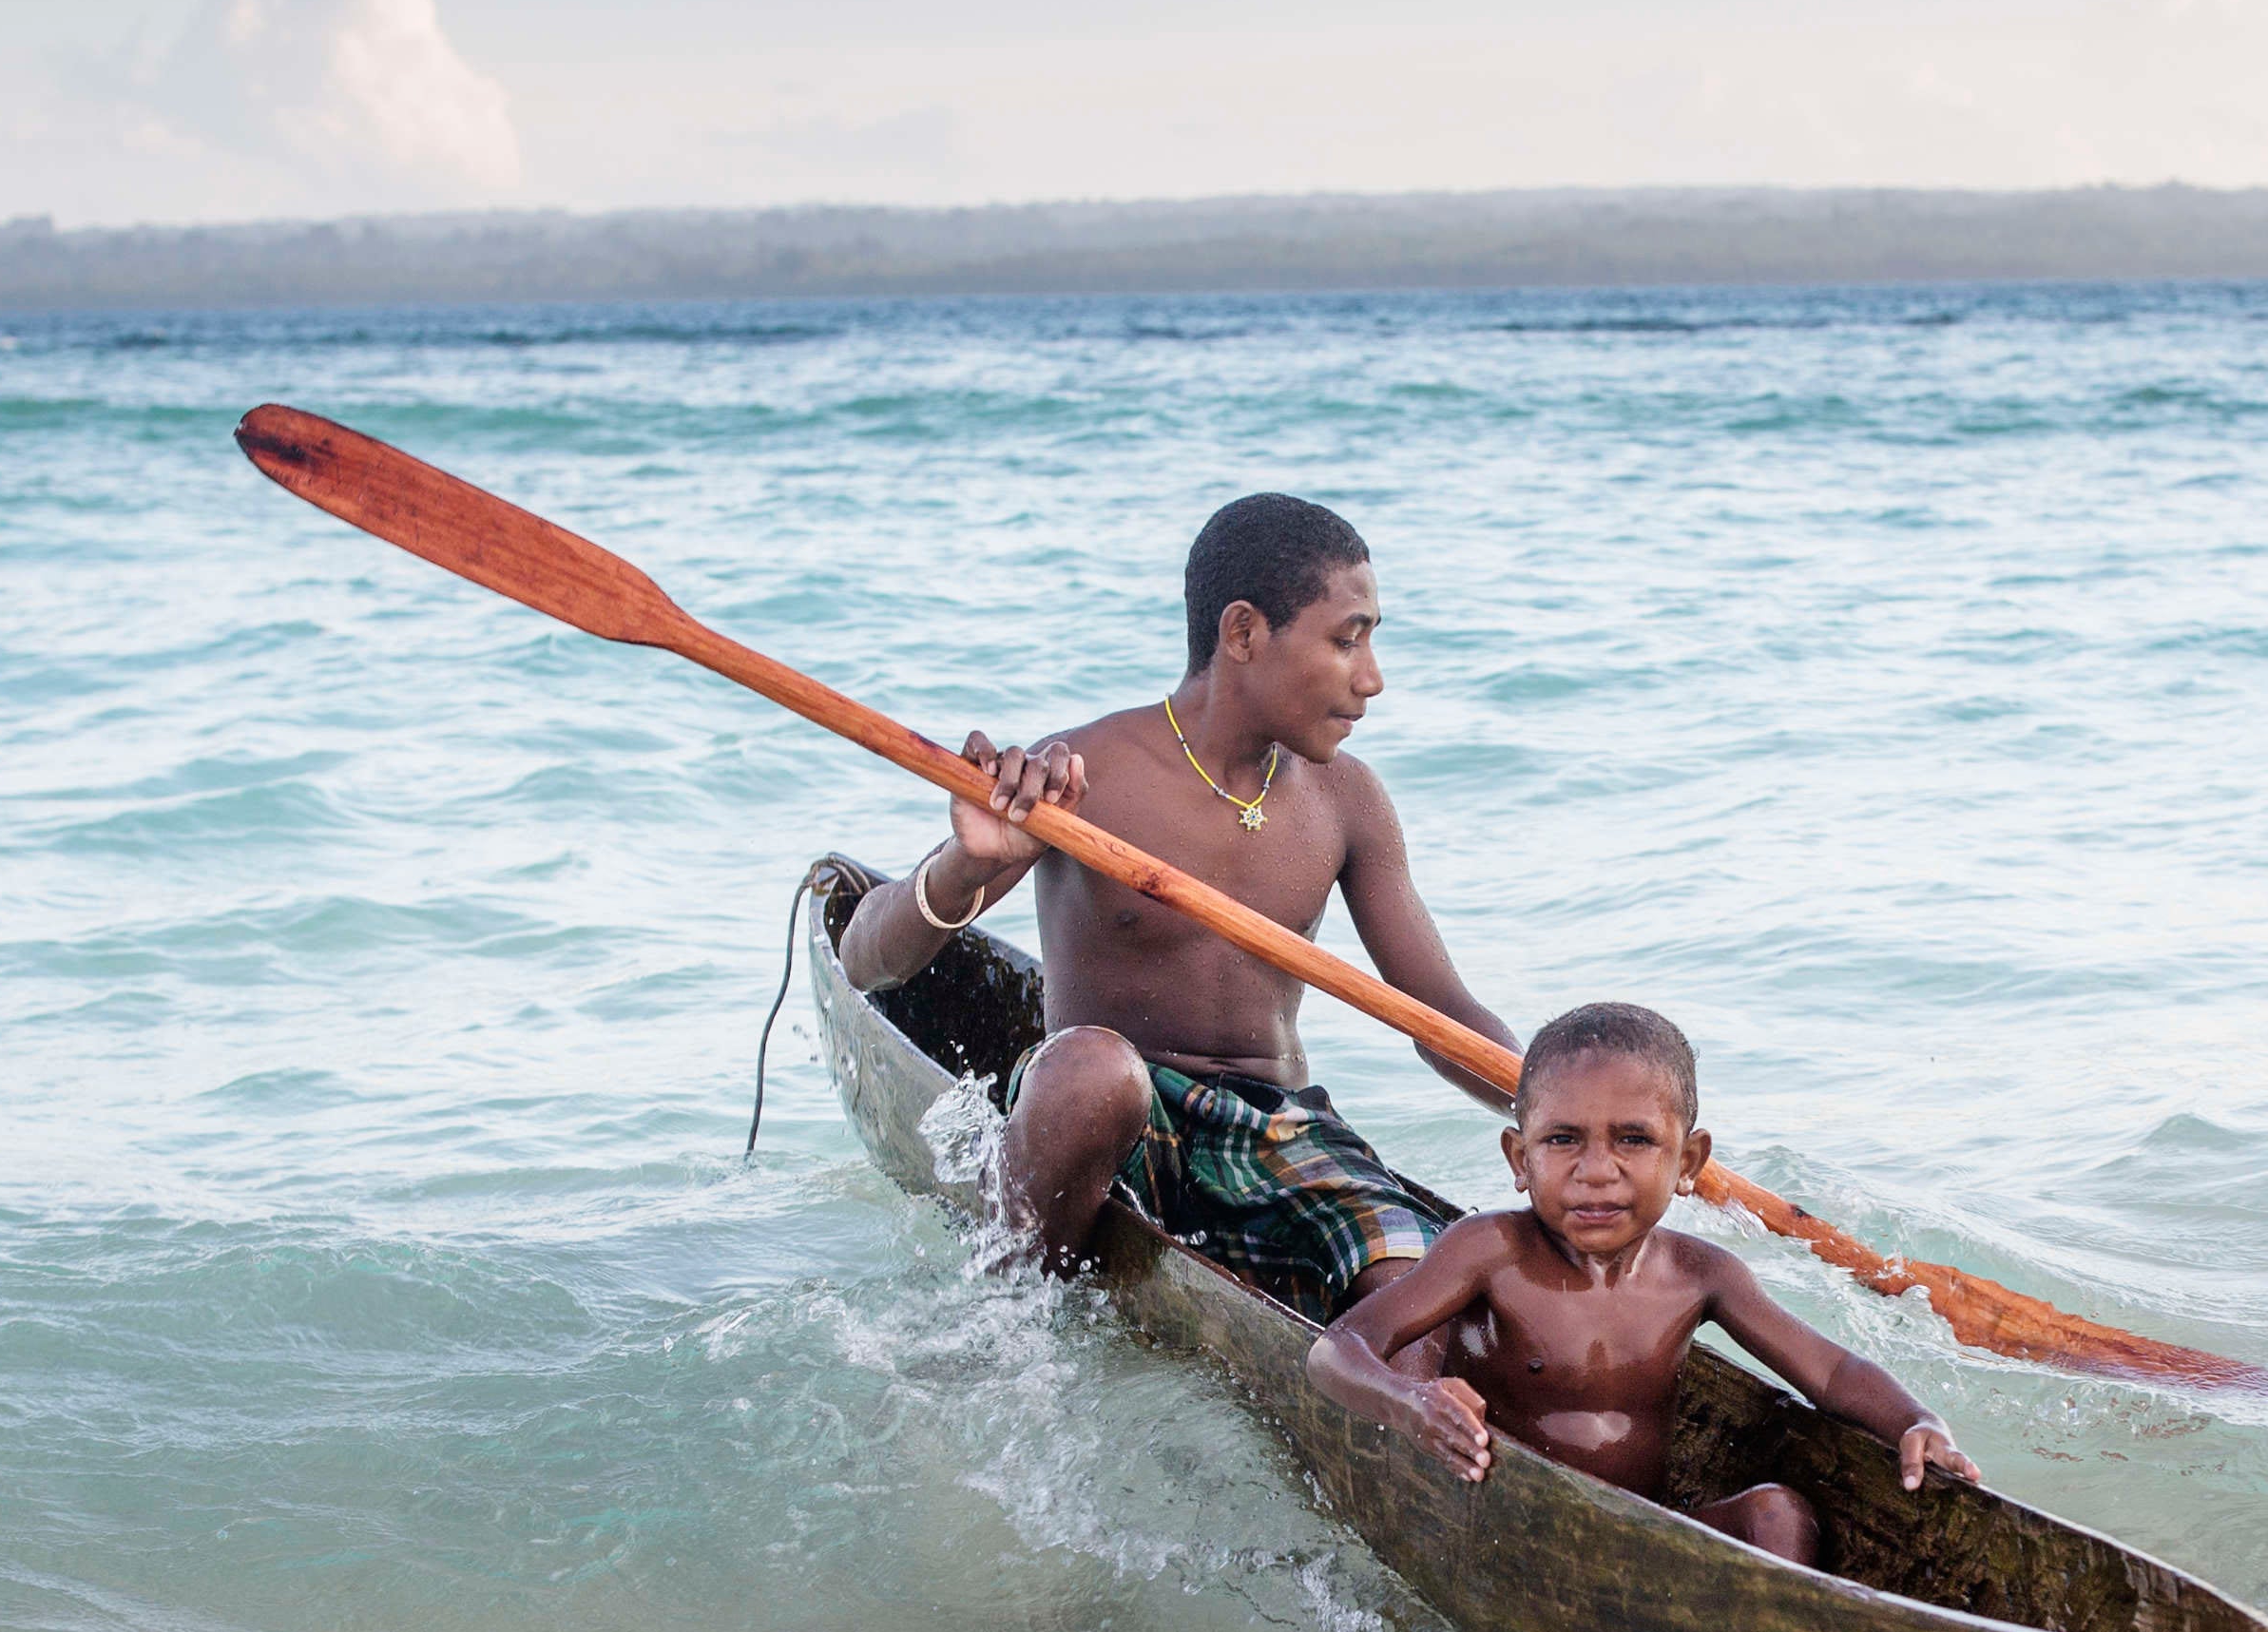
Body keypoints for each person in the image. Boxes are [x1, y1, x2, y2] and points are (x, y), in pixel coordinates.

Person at [836, 490, 1513, 1319]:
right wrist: (964, 864)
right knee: (1091, 1072)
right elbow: (868, 959)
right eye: (1348, 640)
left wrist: (1558, 1110)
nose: (1372, 679)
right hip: (1110, 1125)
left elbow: (1438, 1014)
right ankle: (1007, 1324)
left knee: (1422, 1301)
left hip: (1276, 1136)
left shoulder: (1349, 800)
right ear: (1243, 634)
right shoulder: (1081, 773)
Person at [1306, 1002, 1981, 1565]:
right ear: (1520, 1157)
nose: (1596, 1171)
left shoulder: (1702, 1276)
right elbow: (1336, 1351)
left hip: (1642, 1539)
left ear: (1688, 1162)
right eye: (1563, 1140)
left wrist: (1917, 1421)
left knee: (1778, 1512)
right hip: (1510, 1521)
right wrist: (1409, 1402)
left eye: (1633, 1140)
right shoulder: (1490, 1251)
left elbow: (1833, 1374)